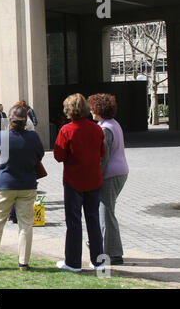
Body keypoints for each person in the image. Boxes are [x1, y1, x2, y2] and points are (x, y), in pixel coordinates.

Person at [0, 105, 44, 271]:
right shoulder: (33, 137)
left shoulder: (1, 136)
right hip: (27, 184)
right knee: (25, 224)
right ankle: (23, 263)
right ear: (26, 121)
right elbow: (40, 155)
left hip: (6, 184)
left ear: (9, 120)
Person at [53, 93, 105, 272]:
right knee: (93, 219)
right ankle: (99, 261)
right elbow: (102, 153)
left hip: (74, 180)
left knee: (73, 222)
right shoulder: (97, 129)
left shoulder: (66, 130)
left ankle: (73, 262)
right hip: (94, 179)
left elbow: (59, 156)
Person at [88, 93, 129, 266]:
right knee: (107, 212)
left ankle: (111, 253)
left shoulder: (104, 129)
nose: (90, 111)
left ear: (98, 110)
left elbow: (102, 158)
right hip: (120, 171)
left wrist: (95, 178)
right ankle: (112, 251)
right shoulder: (113, 124)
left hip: (110, 174)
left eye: (92, 108)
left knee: (106, 213)